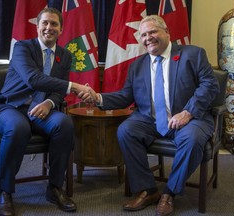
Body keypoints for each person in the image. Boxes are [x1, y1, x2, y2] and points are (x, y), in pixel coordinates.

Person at [80, 15, 220, 216]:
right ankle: (148, 189)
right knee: (126, 131)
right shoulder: (138, 65)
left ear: (167, 32)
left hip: (190, 118)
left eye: (153, 32)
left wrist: (188, 112)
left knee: (192, 140)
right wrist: (98, 98)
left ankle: (169, 193)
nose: (148, 38)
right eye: (143, 35)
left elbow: (210, 85)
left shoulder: (193, 54)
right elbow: (125, 96)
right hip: (150, 120)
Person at [0, 8, 91, 216]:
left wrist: (50, 104)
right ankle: (5, 191)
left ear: (61, 29)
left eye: (54, 24)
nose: (49, 28)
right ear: (37, 27)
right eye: (44, 23)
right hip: (11, 106)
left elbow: (56, 91)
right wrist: (73, 86)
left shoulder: (65, 55)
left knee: (64, 123)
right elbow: (33, 79)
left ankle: (54, 188)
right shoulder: (22, 48)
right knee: (18, 128)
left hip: (40, 110)